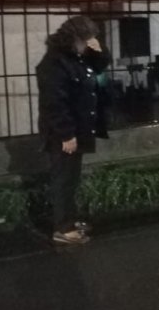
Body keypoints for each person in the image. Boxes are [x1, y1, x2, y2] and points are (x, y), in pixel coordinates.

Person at [37, 15, 110, 245]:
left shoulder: (76, 57)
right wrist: (66, 135)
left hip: (78, 129)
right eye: (85, 40)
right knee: (63, 179)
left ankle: (69, 219)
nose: (87, 44)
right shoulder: (54, 63)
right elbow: (54, 103)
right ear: (73, 38)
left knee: (72, 178)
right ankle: (62, 228)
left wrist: (98, 51)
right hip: (63, 133)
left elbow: (99, 66)